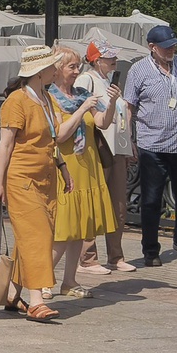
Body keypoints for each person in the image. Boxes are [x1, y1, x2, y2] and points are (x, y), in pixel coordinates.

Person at [0, 46, 74, 321]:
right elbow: (5, 145)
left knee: (29, 238)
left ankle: (12, 294)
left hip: (46, 178)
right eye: (54, 66)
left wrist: (63, 168)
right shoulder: (16, 101)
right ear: (40, 72)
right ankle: (36, 299)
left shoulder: (46, 98)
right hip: (21, 179)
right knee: (37, 236)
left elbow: (53, 138)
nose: (57, 69)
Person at [122, 25, 177, 266]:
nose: (172, 48)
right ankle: (151, 251)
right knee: (152, 200)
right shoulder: (139, 70)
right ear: (152, 48)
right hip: (152, 145)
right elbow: (128, 107)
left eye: (174, 44)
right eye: (166, 46)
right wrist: (128, 140)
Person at [47, 59, 116, 298]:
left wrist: (112, 103)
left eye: (78, 66)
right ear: (57, 70)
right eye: (72, 67)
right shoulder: (50, 98)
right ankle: (44, 280)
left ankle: (69, 281)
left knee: (80, 227)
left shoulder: (82, 94)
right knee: (63, 229)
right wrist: (82, 108)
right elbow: (59, 135)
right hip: (66, 167)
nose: (77, 71)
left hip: (87, 166)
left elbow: (101, 123)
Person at [75, 38, 133, 269]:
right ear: (97, 60)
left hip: (116, 149)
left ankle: (116, 256)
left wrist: (129, 145)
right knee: (94, 203)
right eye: (109, 58)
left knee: (118, 204)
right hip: (98, 150)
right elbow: (83, 112)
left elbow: (120, 116)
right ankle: (88, 258)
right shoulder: (86, 80)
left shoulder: (109, 82)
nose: (114, 61)